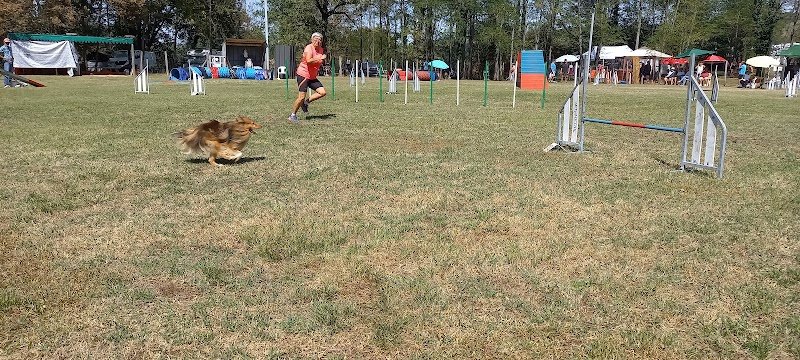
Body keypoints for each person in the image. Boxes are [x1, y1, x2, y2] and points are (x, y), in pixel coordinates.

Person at [288, 32, 327, 123]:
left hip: (312, 76)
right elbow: (309, 61)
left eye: (319, 40)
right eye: (315, 39)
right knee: (301, 97)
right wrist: (320, 58)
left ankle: (305, 103)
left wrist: (321, 59)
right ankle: (292, 115)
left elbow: (319, 61)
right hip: (303, 75)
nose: (317, 41)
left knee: (322, 92)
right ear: (312, 40)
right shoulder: (309, 48)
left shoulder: (321, 49)